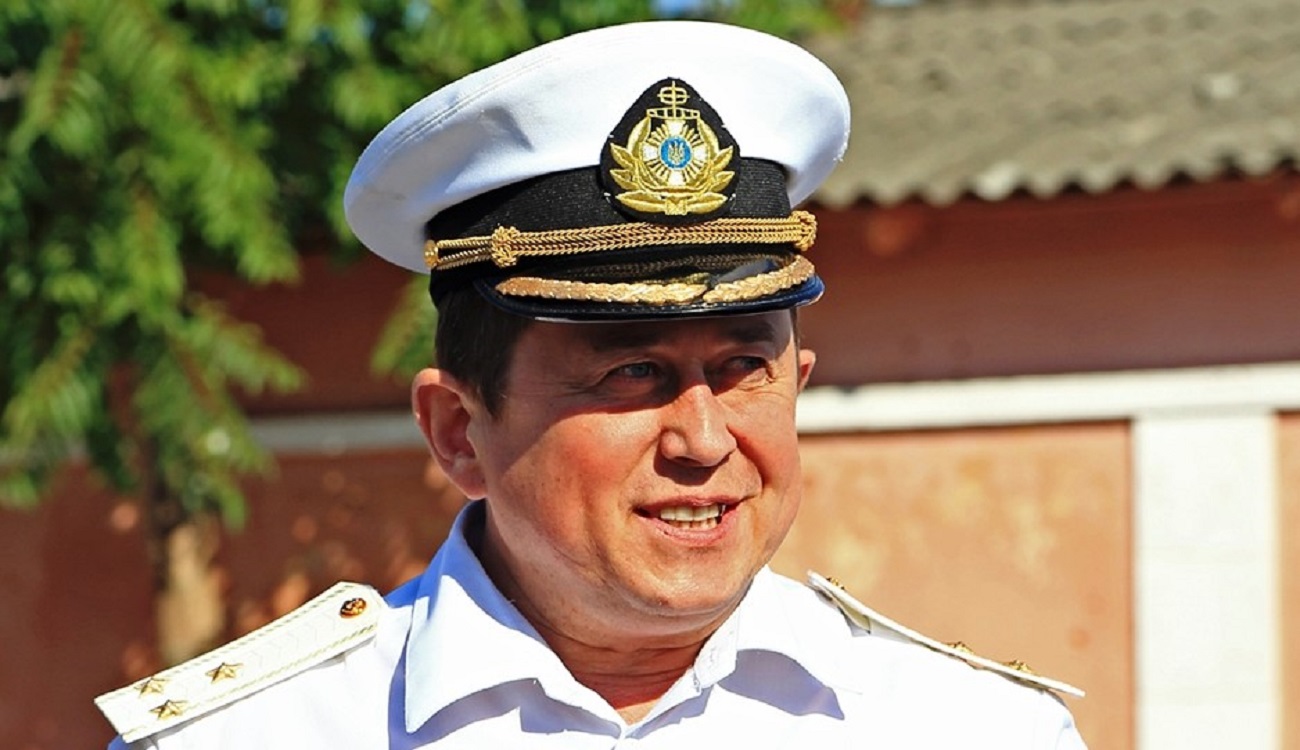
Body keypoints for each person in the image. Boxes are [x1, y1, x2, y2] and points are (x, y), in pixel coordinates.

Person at [97, 20, 1087, 749]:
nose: (703, 440)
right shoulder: (255, 735)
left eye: (744, 369)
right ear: (457, 431)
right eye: (632, 372)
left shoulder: (971, 729)